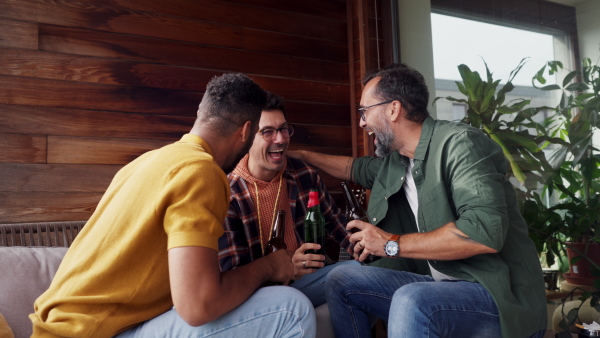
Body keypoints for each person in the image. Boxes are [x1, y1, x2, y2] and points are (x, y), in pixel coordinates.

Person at [30, 73, 315, 338]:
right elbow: (198, 307)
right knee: (291, 308)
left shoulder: (145, 162)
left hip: (55, 328)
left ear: (201, 115)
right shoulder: (201, 171)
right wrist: (269, 267)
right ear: (246, 132)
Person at [288, 63, 547, 338]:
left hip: (494, 296)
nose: (362, 122)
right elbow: (352, 167)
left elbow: (482, 233)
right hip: (438, 286)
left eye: (365, 111)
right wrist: (301, 155)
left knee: (412, 300)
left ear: (393, 109)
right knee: (341, 279)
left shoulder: (460, 145)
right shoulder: (397, 162)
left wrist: (389, 244)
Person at [218, 92, 358, 308]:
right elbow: (235, 273)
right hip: (259, 295)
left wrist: (370, 250)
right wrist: (284, 269)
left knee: (361, 274)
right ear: (246, 137)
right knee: (346, 277)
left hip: (310, 279)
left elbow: (336, 223)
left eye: (284, 129)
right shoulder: (227, 193)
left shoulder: (304, 174)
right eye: (267, 132)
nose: (281, 139)